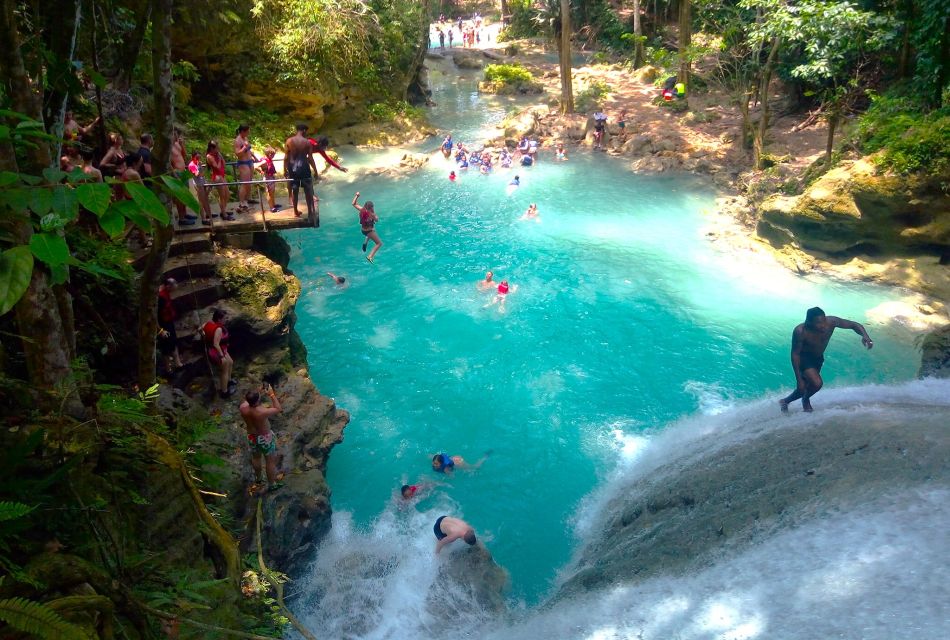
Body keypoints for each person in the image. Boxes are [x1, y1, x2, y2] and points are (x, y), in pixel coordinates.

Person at [779, 307, 873, 413]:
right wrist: (798, 379)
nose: (823, 325)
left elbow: (854, 325)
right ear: (809, 322)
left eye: (824, 321)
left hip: (818, 359)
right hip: (804, 359)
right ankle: (805, 399)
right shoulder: (801, 331)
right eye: (818, 323)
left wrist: (865, 336)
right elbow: (795, 354)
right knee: (816, 383)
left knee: (804, 388)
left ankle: (785, 401)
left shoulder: (831, 322)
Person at [239, 384, 286, 494]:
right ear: (258, 399)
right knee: (270, 461)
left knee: (256, 457)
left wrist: (257, 391)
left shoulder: (243, 408)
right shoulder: (262, 412)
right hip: (265, 438)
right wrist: (272, 394)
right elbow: (278, 408)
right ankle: (271, 484)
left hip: (252, 436)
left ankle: (259, 479)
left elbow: (249, 400)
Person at [285, 123, 318, 221]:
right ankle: (310, 213)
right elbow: (310, 158)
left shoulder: (289, 141)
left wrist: (284, 169)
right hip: (304, 167)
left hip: (292, 168)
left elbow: (286, 157)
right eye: (306, 131)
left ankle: (295, 211)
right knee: (308, 190)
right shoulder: (307, 142)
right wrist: (316, 171)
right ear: (304, 130)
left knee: (295, 189)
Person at [203, 309, 236, 399]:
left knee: (231, 362)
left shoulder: (208, 323)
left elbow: (200, 329)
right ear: (219, 319)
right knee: (224, 370)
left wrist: (204, 336)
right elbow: (215, 344)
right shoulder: (218, 329)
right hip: (216, 351)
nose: (226, 319)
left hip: (222, 349)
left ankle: (229, 381)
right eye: (224, 318)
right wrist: (222, 357)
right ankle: (224, 392)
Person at [170, 129, 198, 226]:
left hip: (183, 172)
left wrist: (182, 145)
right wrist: (174, 175)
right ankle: (181, 218)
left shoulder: (177, 144)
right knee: (179, 196)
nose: (176, 136)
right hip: (177, 173)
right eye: (174, 134)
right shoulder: (168, 148)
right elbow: (169, 164)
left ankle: (185, 214)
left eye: (176, 134)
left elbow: (184, 155)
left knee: (185, 194)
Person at [157, 278, 183, 374]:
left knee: (173, 341)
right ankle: (168, 369)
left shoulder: (165, 293)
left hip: (169, 321)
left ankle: (178, 364)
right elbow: (154, 316)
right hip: (163, 325)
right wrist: (160, 330)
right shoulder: (160, 297)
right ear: (168, 286)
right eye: (173, 287)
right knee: (165, 347)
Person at [352, 191, 382, 263]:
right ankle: (370, 256)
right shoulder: (372, 214)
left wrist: (357, 196)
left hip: (363, 230)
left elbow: (353, 204)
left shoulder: (362, 209)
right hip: (369, 232)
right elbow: (377, 220)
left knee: (373, 229)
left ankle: (365, 242)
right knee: (379, 243)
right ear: (371, 207)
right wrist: (374, 214)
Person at [206, 140, 232, 220]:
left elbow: (223, 164)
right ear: (212, 148)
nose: (218, 149)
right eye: (216, 148)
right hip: (217, 177)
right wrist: (219, 159)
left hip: (222, 176)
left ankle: (223, 210)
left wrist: (220, 157)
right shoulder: (209, 156)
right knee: (222, 196)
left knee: (227, 194)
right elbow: (216, 166)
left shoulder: (217, 154)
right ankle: (224, 214)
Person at [233, 124, 256, 211]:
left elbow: (249, 149)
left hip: (249, 161)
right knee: (244, 183)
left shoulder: (245, 138)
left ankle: (248, 198)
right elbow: (237, 154)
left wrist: (255, 157)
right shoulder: (237, 140)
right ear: (243, 131)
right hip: (243, 163)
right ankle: (241, 202)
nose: (249, 132)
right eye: (247, 131)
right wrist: (244, 147)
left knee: (249, 182)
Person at [187, 151, 214, 223]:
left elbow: (202, 174)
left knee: (205, 199)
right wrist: (202, 170)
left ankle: (208, 214)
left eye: (199, 157)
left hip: (202, 183)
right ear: (193, 157)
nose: (198, 159)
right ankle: (203, 218)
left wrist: (201, 167)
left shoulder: (198, 164)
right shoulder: (192, 165)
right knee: (201, 201)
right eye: (197, 158)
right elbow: (198, 175)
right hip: (198, 184)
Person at [256, 146, 280, 212]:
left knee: (272, 192)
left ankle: (274, 204)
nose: (274, 156)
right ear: (269, 154)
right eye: (273, 155)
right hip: (267, 178)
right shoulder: (264, 161)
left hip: (271, 177)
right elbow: (256, 166)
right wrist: (261, 171)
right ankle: (271, 207)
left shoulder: (269, 159)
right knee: (269, 193)